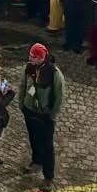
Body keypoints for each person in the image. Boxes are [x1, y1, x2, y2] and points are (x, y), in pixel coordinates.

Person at [19, 44, 64, 183]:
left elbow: (59, 96)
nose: (30, 58)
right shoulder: (29, 67)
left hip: (45, 115)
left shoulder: (54, 74)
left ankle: (48, 176)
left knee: (47, 145)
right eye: (30, 55)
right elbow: (23, 86)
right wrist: (22, 104)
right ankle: (36, 161)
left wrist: (52, 114)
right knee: (33, 137)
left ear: (41, 58)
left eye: (33, 57)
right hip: (29, 110)